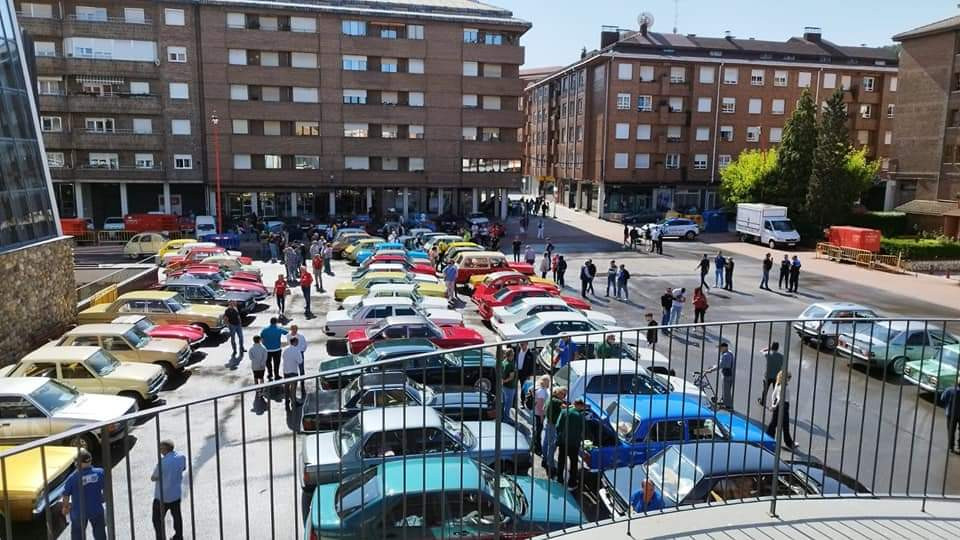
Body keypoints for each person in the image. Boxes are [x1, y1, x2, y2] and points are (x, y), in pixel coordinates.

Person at [62, 448, 106, 540]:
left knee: (78, 534)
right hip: (96, 509)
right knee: (100, 533)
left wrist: (65, 507)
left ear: (78, 463)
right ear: (90, 460)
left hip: (79, 512)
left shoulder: (72, 478)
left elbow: (66, 495)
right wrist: (102, 498)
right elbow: (105, 488)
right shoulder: (100, 472)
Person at [151, 439, 186, 540]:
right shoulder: (181, 457)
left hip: (162, 497)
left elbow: (153, 477)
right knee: (177, 517)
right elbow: (183, 468)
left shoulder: (162, 463)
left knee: (157, 520)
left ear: (165, 449)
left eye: (161, 448)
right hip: (175, 494)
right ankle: (178, 536)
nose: (160, 451)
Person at [556, 399, 587, 488]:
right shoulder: (580, 416)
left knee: (561, 461)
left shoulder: (564, 412)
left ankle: (559, 480)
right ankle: (572, 483)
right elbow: (583, 431)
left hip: (563, 441)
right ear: (580, 405)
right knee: (573, 463)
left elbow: (558, 426)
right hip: (574, 443)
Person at [765, 370, 796, 449]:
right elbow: (779, 398)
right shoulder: (783, 386)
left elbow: (773, 394)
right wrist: (774, 406)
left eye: (790, 377)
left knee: (773, 423)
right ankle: (789, 443)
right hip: (783, 405)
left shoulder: (778, 384)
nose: (789, 379)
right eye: (788, 377)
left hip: (779, 405)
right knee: (785, 425)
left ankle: (769, 439)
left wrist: (773, 404)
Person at [542, 387, 567, 478]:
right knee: (552, 446)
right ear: (558, 393)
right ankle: (550, 466)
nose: (564, 397)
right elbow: (566, 407)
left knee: (545, 442)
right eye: (563, 394)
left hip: (548, 422)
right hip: (552, 425)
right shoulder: (557, 402)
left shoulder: (549, 398)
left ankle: (544, 460)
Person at [707, 342, 736, 409]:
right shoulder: (730, 353)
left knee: (726, 391)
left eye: (720, 348)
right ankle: (724, 401)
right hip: (731, 374)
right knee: (726, 389)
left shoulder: (725, 355)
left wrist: (711, 370)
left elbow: (721, 365)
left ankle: (728, 406)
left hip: (727, 375)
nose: (719, 349)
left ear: (724, 347)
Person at [758, 342, 784, 407]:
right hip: (777, 377)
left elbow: (761, 351)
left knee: (765, 390)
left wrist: (768, 348)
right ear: (778, 348)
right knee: (775, 391)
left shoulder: (768, 354)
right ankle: (775, 404)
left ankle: (763, 402)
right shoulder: (781, 356)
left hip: (768, 376)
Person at [282, 336, 302, 409]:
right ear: (295, 342)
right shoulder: (297, 350)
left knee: (287, 388)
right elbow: (300, 361)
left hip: (286, 371)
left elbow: (283, 357)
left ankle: (287, 403)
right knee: (293, 388)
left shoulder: (285, 349)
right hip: (293, 371)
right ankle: (294, 403)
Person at [288, 324, 308, 396]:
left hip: (299, 353)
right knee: (293, 368)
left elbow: (305, 345)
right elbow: (289, 344)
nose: (294, 330)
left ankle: (302, 381)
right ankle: (294, 381)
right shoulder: (288, 336)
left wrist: (301, 351)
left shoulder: (301, 337)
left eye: (295, 329)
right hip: (292, 354)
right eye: (292, 329)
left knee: (301, 368)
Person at [533, 375, 551, 455]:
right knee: (539, 432)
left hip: (537, 412)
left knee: (537, 430)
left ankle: (535, 446)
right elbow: (540, 406)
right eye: (548, 381)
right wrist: (541, 417)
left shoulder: (539, 389)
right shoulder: (542, 392)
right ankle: (537, 448)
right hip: (539, 414)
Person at [942, 379, 960, 454]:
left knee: (951, 430)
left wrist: (947, 405)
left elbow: (942, 398)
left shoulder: (949, 390)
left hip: (950, 413)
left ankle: (951, 447)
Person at [500, 348, 517, 424]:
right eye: (513, 354)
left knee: (503, 403)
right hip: (510, 387)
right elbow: (511, 377)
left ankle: (502, 417)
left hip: (503, 386)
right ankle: (506, 419)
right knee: (508, 404)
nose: (513, 356)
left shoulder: (503, 362)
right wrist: (505, 381)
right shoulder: (510, 364)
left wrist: (502, 381)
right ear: (511, 355)